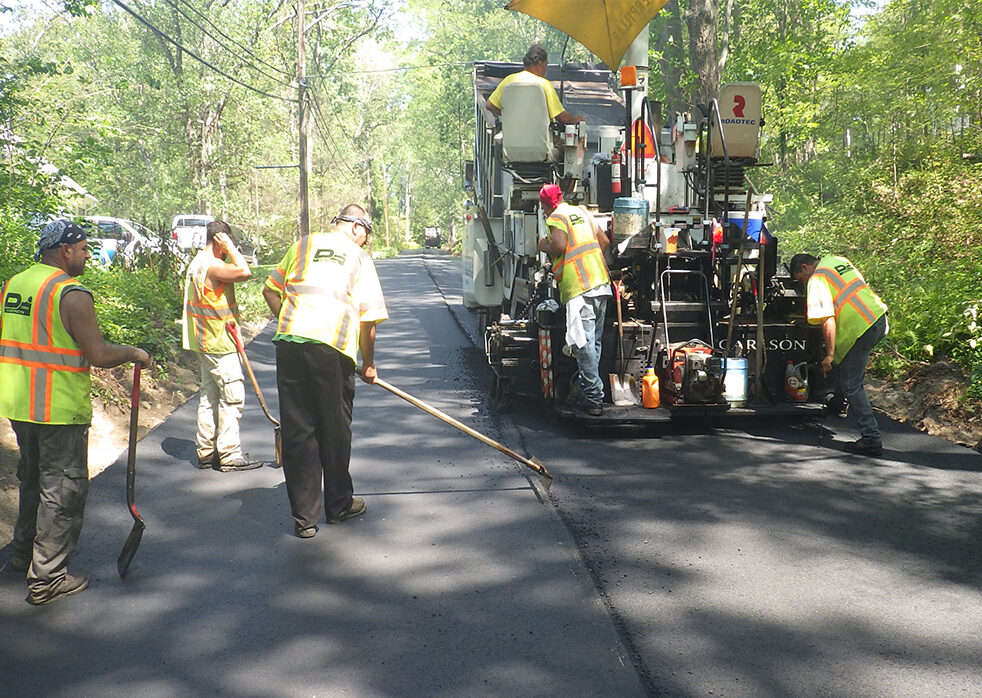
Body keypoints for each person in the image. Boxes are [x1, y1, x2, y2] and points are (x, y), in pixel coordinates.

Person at [0, 220, 150, 605]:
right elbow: (98, 355)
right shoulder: (71, 294)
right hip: (58, 409)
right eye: (84, 248)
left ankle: (22, 555)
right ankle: (47, 578)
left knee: (32, 479)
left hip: (19, 404)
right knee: (62, 491)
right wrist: (134, 353)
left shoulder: (14, 285)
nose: (87, 255)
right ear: (65, 250)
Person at [262, 204, 388, 538]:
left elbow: (269, 291)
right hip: (331, 350)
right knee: (334, 428)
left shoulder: (303, 244)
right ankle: (339, 505)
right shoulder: (359, 258)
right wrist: (370, 365)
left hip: (290, 343)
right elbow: (369, 320)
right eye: (366, 235)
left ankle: (304, 520)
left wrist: (291, 320)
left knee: (298, 430)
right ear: (358, 228)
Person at [182, 220, 262, 472]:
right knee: (232, 395)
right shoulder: (213, 265)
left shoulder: (196, 263)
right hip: (219, 340)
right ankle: (228, 453)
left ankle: (205, 450)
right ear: (219, 240)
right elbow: (245, 272)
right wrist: (230, 248)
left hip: (205, 339)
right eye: (228, 241)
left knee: (210, 395)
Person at [791, 253, 889, 456]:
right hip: (878, 318)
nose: (802, 283)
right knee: (845, 367)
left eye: (800, 278)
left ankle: (871, 438)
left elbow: (827, 319)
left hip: (860, 327)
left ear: (804, 267)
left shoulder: (817, 279)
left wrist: (829, 355)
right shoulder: (838, 261)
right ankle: (836, 404)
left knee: (852, 384)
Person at [536, 184, 611, 416]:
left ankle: (592, 397)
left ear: (546, 204)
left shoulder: (556, 217)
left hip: (579, 288)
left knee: (583, 344)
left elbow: (558, 245)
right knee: (594, 344)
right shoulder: (583, 212)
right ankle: (584, 388)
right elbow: (605, 241)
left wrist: (544, 246)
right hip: (600, 282)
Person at [486, 43, 586, 125]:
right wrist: (576, 119)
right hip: (541, 147)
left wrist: (509, 115)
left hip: (510, 147)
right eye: (546, 65)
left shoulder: (508, 81)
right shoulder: (543, 85)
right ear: (539, 64)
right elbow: (563, 118)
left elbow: (490, 105)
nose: (546, 70)